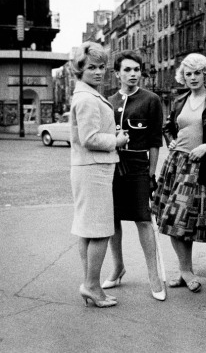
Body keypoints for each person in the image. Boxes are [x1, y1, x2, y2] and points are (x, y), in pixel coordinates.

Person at [152, 53, 206, 293]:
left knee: (183, 220)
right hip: (176, 164)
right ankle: (186, 271)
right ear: (182, 77)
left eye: (197, 73)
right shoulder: (179, 100)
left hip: (198, 167)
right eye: (188, 73)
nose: (193, 77)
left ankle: (186, 272)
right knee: (172, 219)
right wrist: (171, 141)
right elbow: (168, 126)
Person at [69, 41, 129, 308]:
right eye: (91, 67)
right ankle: (92, 285)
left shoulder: (86, 94)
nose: (98, 72)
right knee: (101, 231)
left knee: (87, 230)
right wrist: (117, 140)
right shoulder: (86, 98)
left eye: (101, 66)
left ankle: (89, 282)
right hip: (94, 169)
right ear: (79, 69)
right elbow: (89, 138)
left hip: (88, 169)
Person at [103, 50, 166, 301]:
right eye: (127, 70)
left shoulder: (151, 100)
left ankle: (154, 276)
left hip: (139, 166)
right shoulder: (109, 101)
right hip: (113, 166)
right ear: (117, 73)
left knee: (143, 219)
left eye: (136, 70)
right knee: (112, 219)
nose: (132, 74)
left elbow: (154, 142)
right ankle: (118, 267)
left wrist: (151, 174)